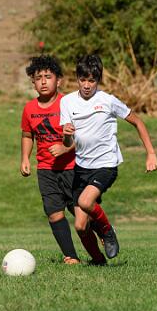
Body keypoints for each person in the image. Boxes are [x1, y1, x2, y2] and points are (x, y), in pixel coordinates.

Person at [61, 54, 157, 260]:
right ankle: (98, 261)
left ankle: (107, 231)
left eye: (91, 80)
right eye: (82, 80)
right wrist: (67, 135)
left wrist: (150, 153)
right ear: (77, 78)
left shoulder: (108, 100)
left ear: (98, 80)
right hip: (81, 168)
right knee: (80, 226)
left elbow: (138, 122)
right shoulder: (67, 102)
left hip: (105, 164)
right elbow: (67, 144)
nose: (87, 85)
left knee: (86, 202)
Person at [21, 55, 108, 265]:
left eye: (48, 77)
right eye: (38, 78)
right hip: (46, 170)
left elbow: (85, 134)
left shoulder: (68, 103)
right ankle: (71, 255)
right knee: (54, 214)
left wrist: (65, 148)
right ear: (33, 82)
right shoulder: (29, 109)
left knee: (83, 216)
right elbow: (27, 135)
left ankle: (103, 234)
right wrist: (25, 158)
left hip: (73, 168)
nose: (43, 82)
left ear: (58, 80)